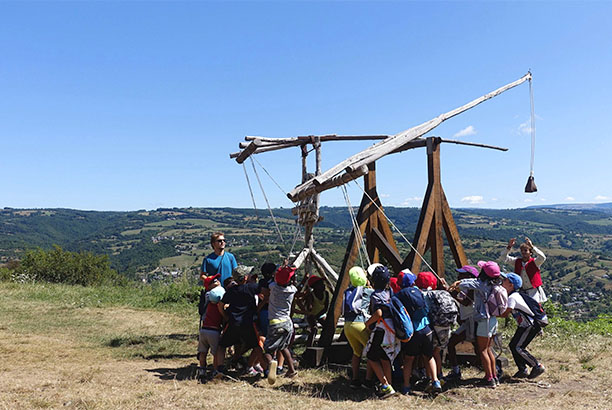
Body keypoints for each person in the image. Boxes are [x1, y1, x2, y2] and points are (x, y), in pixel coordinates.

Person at [453, 261, 507, 388]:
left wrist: (457, 284)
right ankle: (494, 376)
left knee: (482, 350)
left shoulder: (482, 284)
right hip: (493, 319)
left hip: (484, 320)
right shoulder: (495, 284)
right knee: (488, 350)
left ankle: (489, 379)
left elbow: (468, 283)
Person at [395, 270, 441, 395]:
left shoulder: (399, 295)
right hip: (426, 329)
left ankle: (406, 386)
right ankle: (436, 381)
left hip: (413, 331)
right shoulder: (418, 292)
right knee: (429, 356)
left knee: (409, 359)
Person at [217, 265, 263, 377]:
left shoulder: (231, 290)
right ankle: (265, 369)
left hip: (233, 322)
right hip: (248, 323)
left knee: (222, 345)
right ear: (245, 277)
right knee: (257, 347)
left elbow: (220, 304)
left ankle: (220, 369)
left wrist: (225, 316)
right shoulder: (252, 288)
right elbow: (264, 292)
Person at [500, 272, 546, 379]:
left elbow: (505, 313)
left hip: (529, 325)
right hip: (525, 325)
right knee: (513, 346)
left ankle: (537, 366)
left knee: (518, 347)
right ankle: (522, 369)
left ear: (511, 285)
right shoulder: (514, 295)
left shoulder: (513, 297)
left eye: (504, 280)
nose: (502, 282)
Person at [363, 264, 399, 399]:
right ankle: (390, 385)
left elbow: (378, 313)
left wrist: (367, 323)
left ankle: (385, 386)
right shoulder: (390, 293)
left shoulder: (375, 295)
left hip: (381, 329)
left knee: (371, 356)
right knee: (385, 358)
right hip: (392, 329)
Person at [262, 265, 298, 384]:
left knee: (267, 350)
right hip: (288, 323)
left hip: (275, 323)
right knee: (284, 347)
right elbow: (293, 283)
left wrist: (282, 269)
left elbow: (274, 280)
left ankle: (271, 363)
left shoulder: (273, 287)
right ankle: (291, 370)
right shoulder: (292, 290)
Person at [341, 266, 374, 389]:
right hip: (361, 325)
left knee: (357, 352)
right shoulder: (368, 291)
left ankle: (355, 379)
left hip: (347, 325)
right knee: (371, 353)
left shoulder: (348, 291)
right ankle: (368, 380)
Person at [446, 265, 479, 381]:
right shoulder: (469, 287)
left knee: (451, 343)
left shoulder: (472, 288)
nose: (458, 276)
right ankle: (493, 371)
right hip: (470, 321)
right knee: (478, 348)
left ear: (468, 277)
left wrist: (451, 293)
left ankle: (456, 371)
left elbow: (466, 303)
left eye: (462, 274)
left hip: (471, 321)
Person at [501, 237, 547, 303]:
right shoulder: (517, 261)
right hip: (522, 291)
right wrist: (509, 247)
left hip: (533, 291)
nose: (523, 252)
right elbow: (503, 257)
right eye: (522, 250)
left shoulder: (535, 262)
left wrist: (532, 247)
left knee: (534, 309)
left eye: (525, 250)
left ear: (530, 252)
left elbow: (542, 257)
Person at [197, 275, 225, 380]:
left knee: (203, 352)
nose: (217, 281)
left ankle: (202, 370)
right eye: (214, 281)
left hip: (204, 329)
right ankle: (215, 370)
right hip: (214, 331)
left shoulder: (208, 305)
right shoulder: (219, 307)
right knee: (216, 352)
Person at [305, 276, 329, 346]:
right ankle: (309, 346)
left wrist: (317, 316)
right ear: (315, 286)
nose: (323, 285)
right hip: (311, 315)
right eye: (321, 283)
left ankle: (322, 343)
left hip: (321, 314)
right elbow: (309, 308)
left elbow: (325, 308)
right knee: (314, 329)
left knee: (327, 327)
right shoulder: (311, 295)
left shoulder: (326, 294)